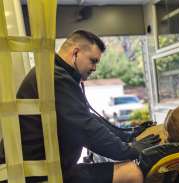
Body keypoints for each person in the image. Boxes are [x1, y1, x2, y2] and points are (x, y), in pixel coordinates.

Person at [0, 30, 160, 183]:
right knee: (132, 173)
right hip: (36, 175)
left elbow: (87, 117)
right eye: (93, 61)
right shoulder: (54, 77)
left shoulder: (53, 72)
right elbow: (86, 128)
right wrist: (130, 150)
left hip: (48, 168)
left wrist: (128, 135)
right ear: (75, 53)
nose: (94, 68)